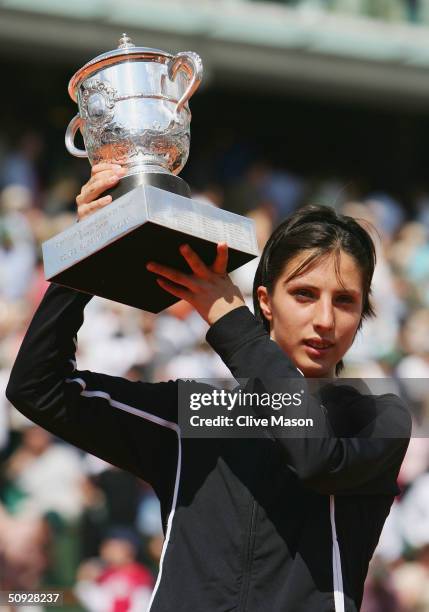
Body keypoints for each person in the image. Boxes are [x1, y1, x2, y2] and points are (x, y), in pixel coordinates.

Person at [6, 163, 412, 612]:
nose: (324, 320)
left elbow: (313, 455)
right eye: (303, 294)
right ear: (265, 302)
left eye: (345, 301)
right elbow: (37, 387)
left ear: (361, 319)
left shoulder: (378, 418)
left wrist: (233, 326)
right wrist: (85, 253)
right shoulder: (199, 413)